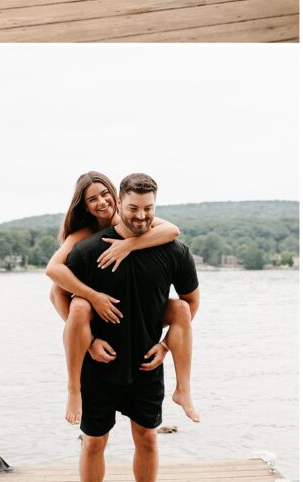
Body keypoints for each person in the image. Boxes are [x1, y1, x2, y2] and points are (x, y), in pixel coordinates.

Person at [46, 173, 200, 482]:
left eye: (148, 209)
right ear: (121, 204)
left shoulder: (173, 249)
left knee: (147, 438)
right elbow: (58, 293)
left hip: (147, 365)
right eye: (133, 208)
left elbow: (190, 303)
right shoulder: (84, 249)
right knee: (94, 443)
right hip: (99, 366)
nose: (141, 216)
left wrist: (165, 348)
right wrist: (90, 340)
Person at [46, 171, 198, 426]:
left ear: (115, 196)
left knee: (181, 308)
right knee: (80, 305)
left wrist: (129, 245)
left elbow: (172, 230)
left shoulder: (133, 216)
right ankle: (74, 390)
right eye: (92, 199)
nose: (101, 202)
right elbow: (53, 278)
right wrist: (94, 299)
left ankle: (184, 389)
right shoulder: (82, 236)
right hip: (100, 314)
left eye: (105, 194)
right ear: (84, 205)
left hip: (142, 316)